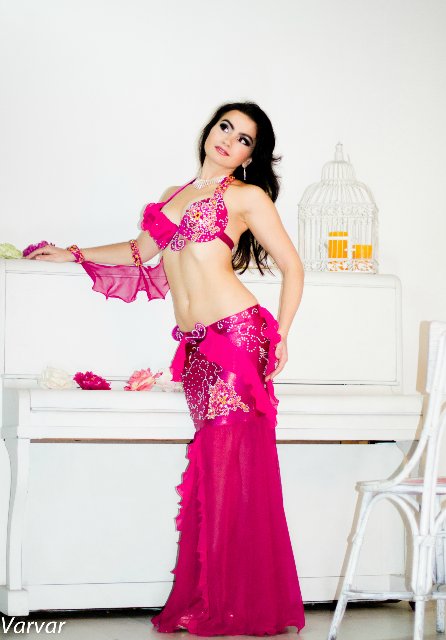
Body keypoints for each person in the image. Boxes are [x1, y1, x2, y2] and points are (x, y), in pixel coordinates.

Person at [25, 101, 306, 636]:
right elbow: (139, 251)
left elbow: (293, 266)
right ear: (210, 130)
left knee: (228, 466)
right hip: (197, 349)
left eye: (243, 139)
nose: (229, 140)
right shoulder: (172, 196)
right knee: (214, 468)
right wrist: (73, 252)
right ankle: (217, 597)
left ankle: (233, 602)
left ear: (250, 156)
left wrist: (284, 334)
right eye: (225, 127)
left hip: (238, 337)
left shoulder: (247, 197)